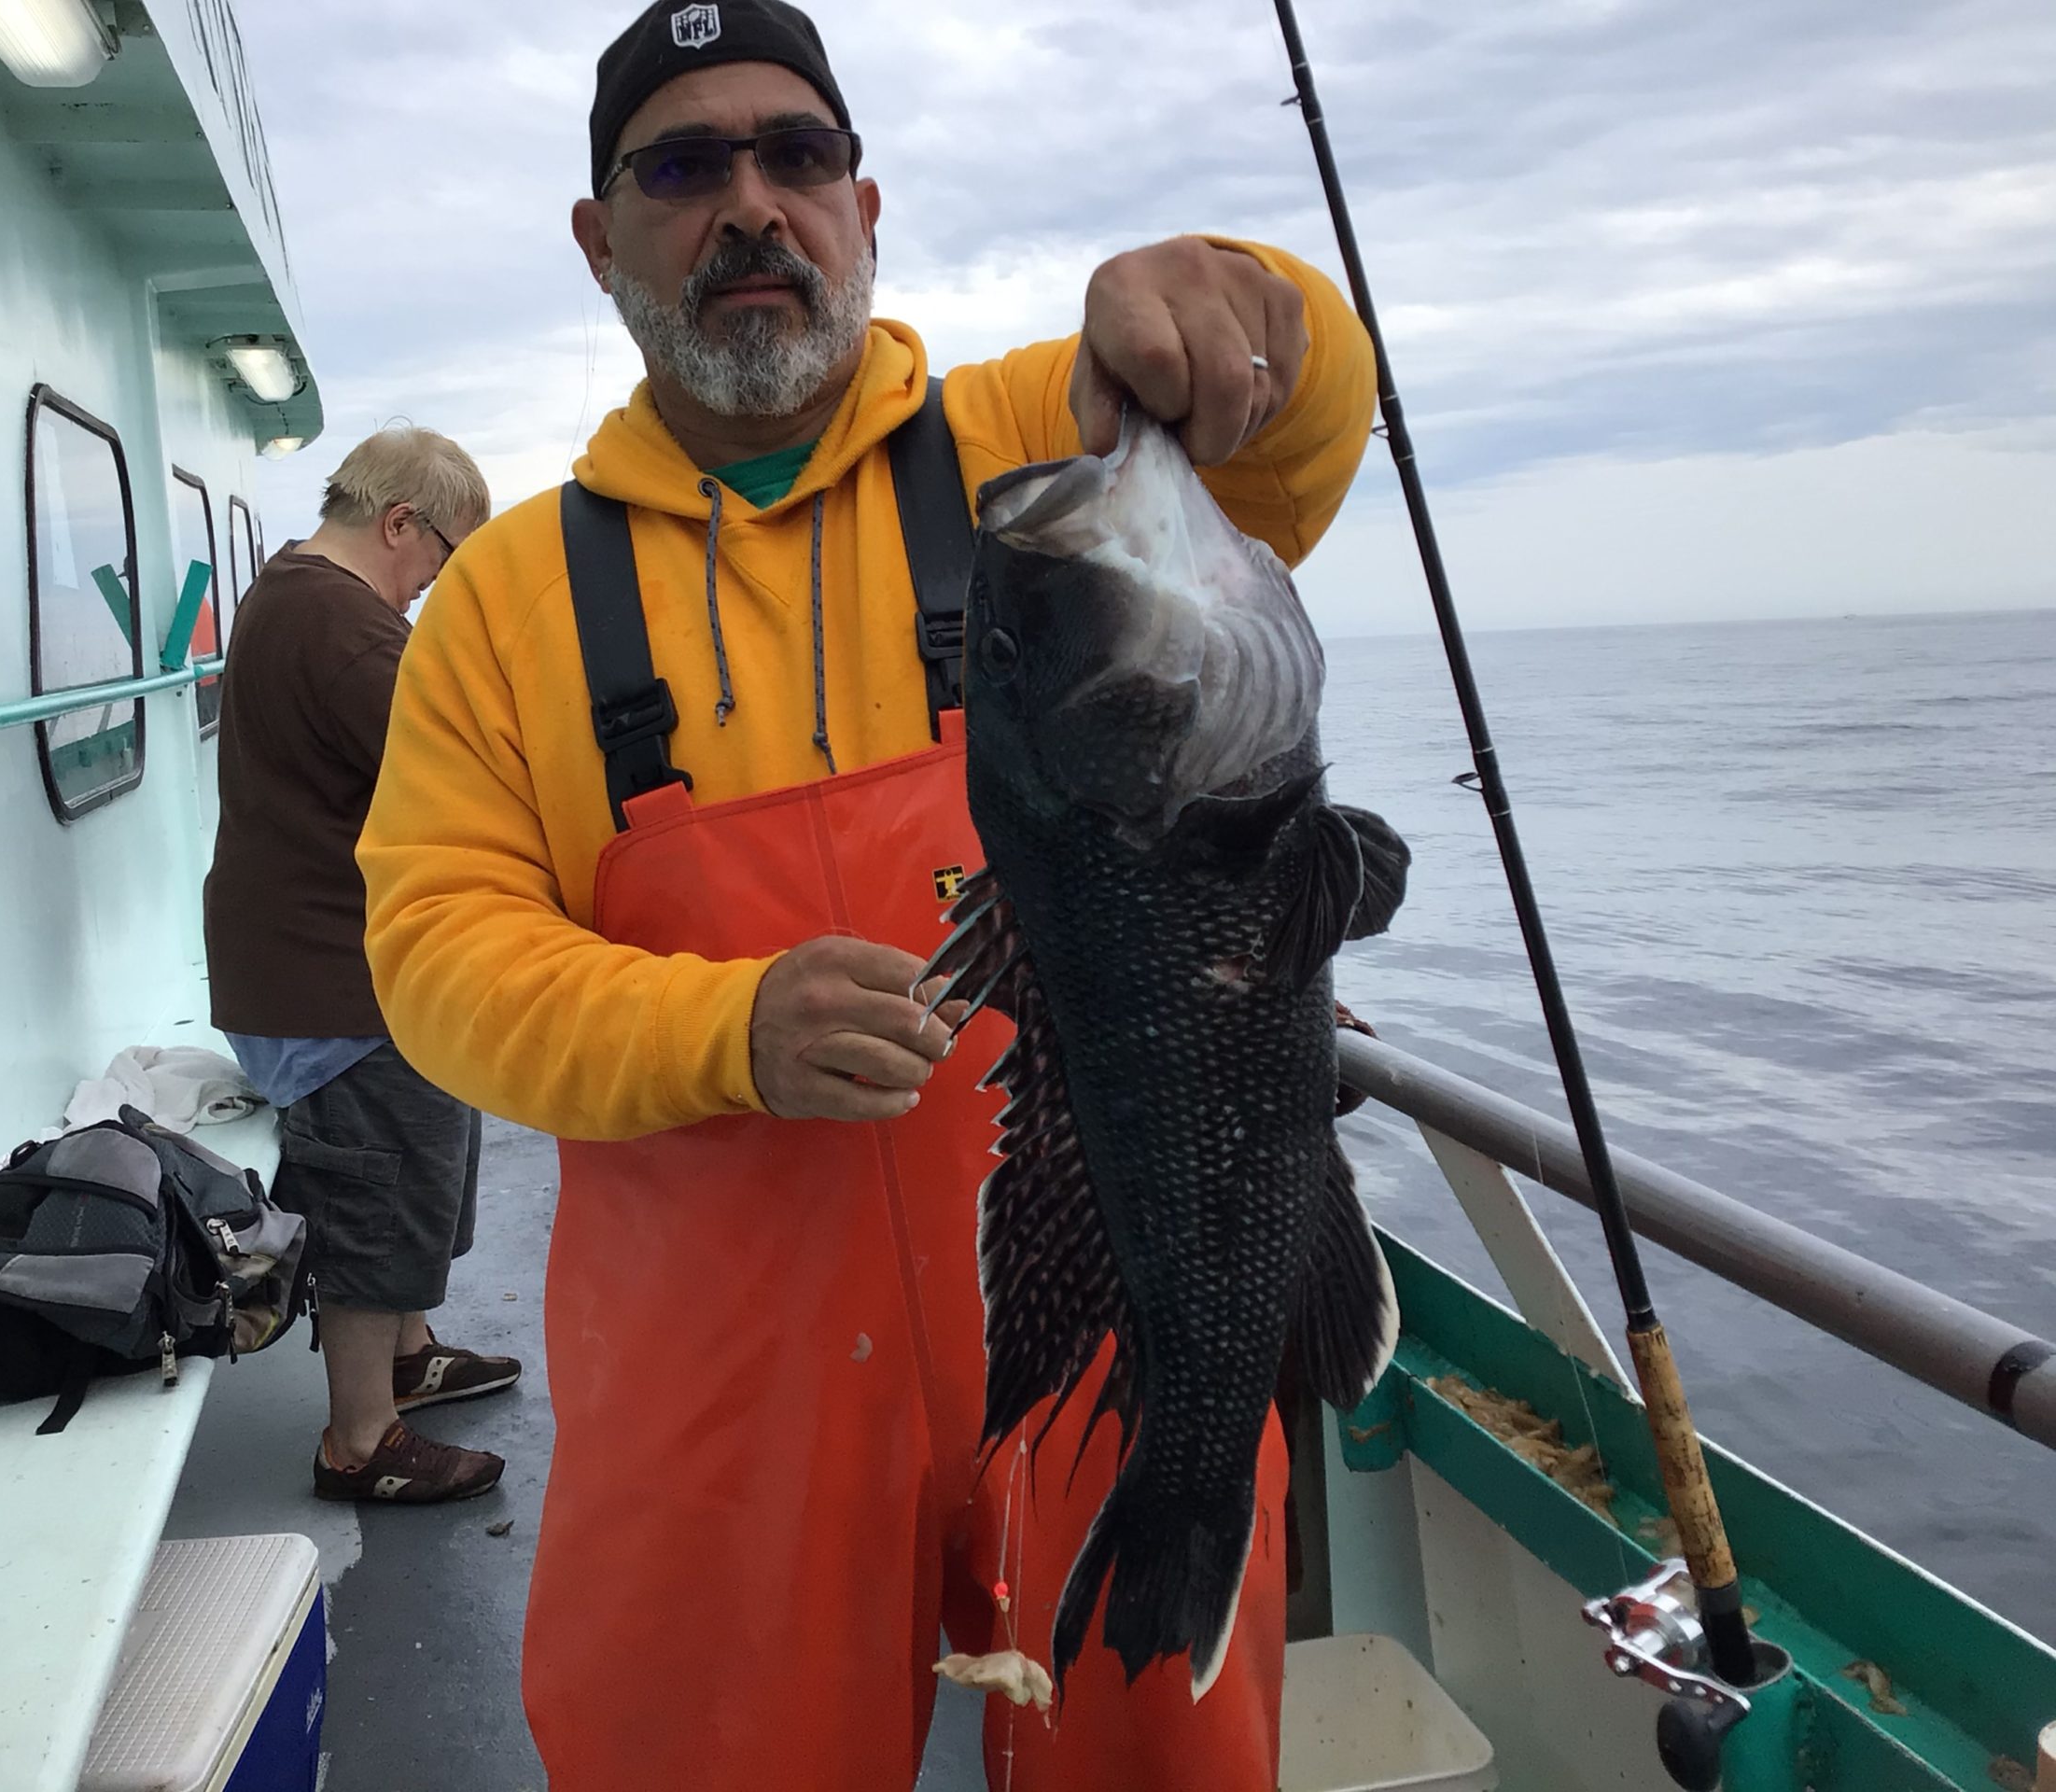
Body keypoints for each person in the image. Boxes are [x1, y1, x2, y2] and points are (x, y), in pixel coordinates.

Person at [358, 1, 1377, 1782]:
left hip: (1105, 1332)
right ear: (601, 240)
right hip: (724, 1395)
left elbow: (1290, 442)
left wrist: (1248, 303)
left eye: (797, 154)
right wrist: (721, 1026)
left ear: (865, 205)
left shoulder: (1036, 446)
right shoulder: (504, 602)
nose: (751, 203)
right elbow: (436, 956)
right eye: (685, 166)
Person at [203, 427, 522, 1505]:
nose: (435, 586)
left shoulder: (291, 589)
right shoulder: (342, 625)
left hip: (320, 959)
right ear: (398, 524)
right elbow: (461, 771)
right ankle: (360, 1440)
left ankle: (406, 1355)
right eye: (443, 559)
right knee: (377, 1192)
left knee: (420, 1158)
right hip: (330, 982)